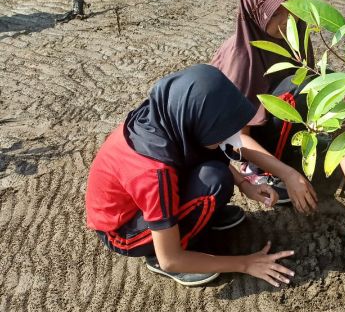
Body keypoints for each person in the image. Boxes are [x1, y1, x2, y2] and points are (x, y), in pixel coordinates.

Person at [86, 64, 295, 288]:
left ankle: (198, 218)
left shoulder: (166, 115)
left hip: (144, 197)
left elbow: (213, 149)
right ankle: (158, 251)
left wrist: (245, 184)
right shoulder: (154, 171)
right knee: (213, 183)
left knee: (218, 173)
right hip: (123, 230)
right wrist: (246, 264)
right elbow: (171, 260)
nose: (226, 137)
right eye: (218, 131)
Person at [211, 0, 345, 243]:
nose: (286, 21)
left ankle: (296, 162)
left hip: (286, 125)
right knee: (297, 86)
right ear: (254, 11)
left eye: (291, 8)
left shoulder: (296, 33)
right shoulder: (240, 59)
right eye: (274, 14)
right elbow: (234, 138)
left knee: (330, 84)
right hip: (251, 142)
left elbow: (326, 105)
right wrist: (289, 176)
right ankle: (264, 171)